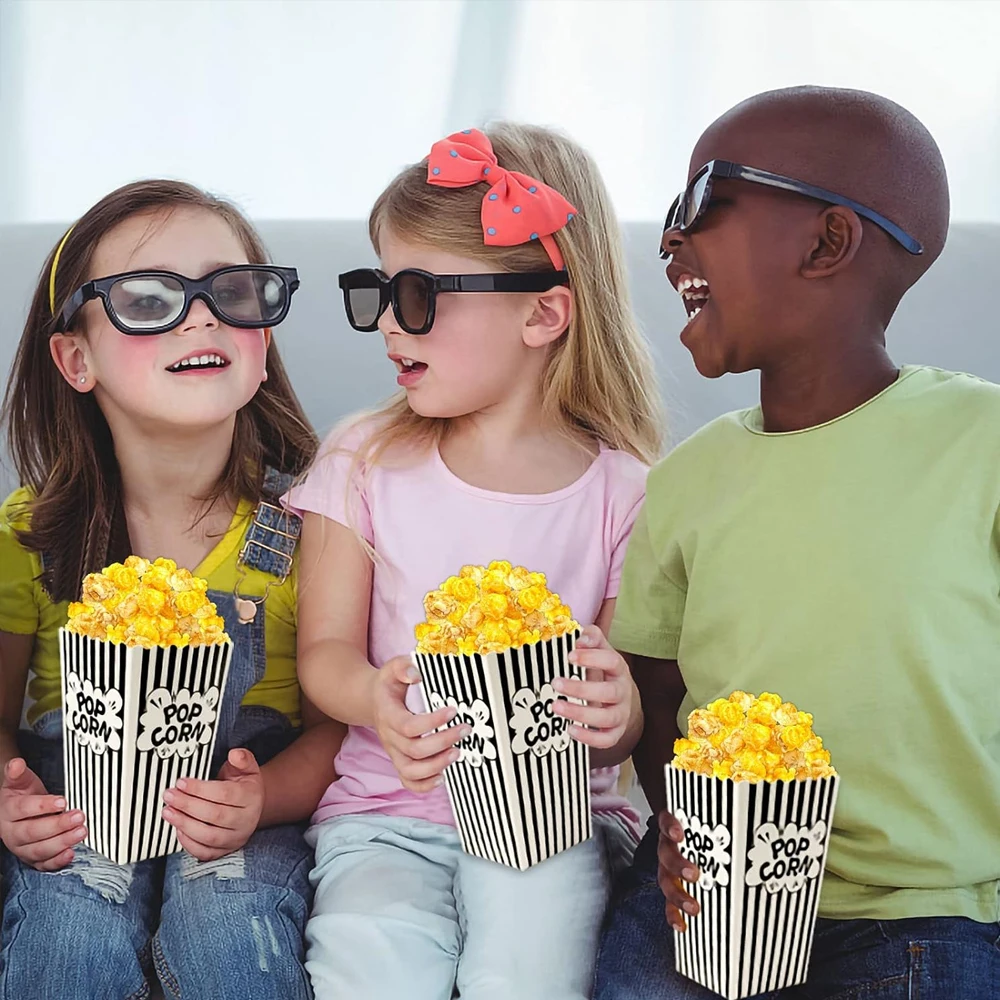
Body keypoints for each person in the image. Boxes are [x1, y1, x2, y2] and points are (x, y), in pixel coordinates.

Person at [594, 86, 1000, 999]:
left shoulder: (984, 442)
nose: (669, 240)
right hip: (707, 899)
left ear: (827, 241)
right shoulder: (687, 478)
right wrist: (675, 832)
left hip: (919, 909)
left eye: (700, 201)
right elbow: (657, 687)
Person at [289, 124, 663, 999]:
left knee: (529, 956)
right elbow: (325, 659)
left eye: (418, 294)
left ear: (543, 311)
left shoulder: (625, 492)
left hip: (554, 820)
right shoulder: (364, 461)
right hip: (386, 815)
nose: (388, 322)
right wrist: (374, 702)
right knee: (367, 957)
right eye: (380, 290)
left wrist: (619, 710)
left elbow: (623, 700)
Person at [0, 179, 344, 999]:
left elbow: (339, 733)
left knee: (230, 923)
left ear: (262, 344)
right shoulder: (31, 535)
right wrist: (6, 795)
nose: (202, 316)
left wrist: (263, 802)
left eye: (233, 291)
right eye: (148, 298)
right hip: (73, 806)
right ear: (75, 359)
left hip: (248, 804)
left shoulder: (316, 525)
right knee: (70, 925)